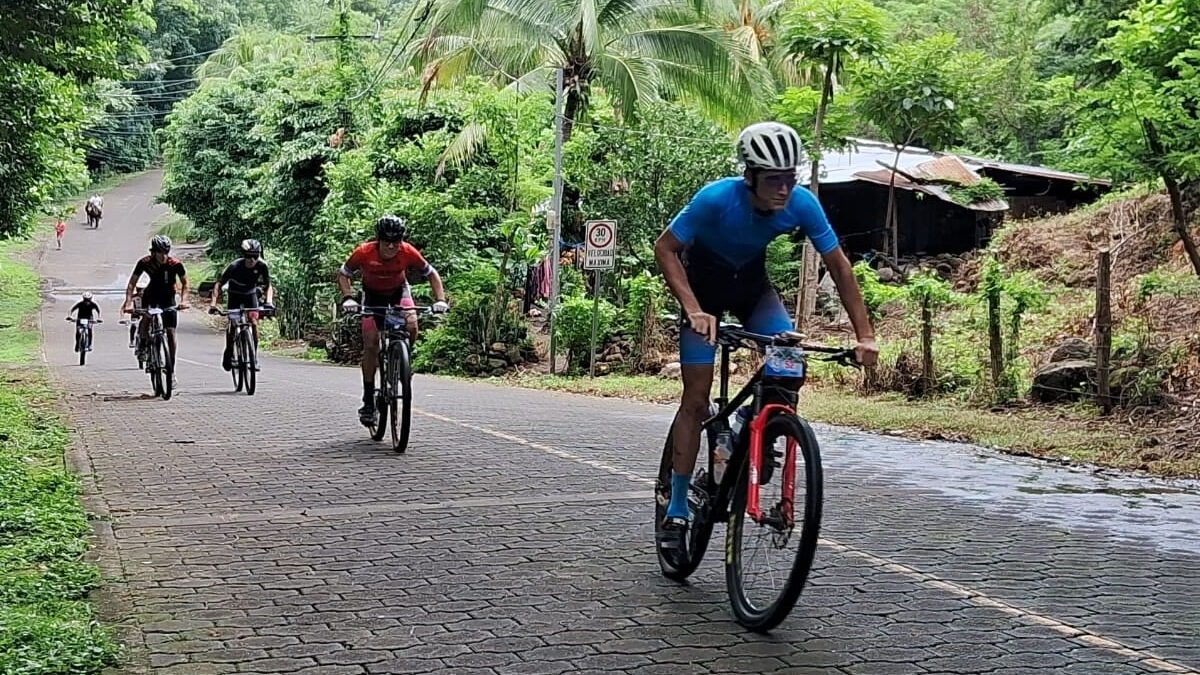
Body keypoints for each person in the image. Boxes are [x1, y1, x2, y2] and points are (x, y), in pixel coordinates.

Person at [653, 121, 880, 550]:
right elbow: (665, 248)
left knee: (790, 365)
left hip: (753, 289)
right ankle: (677, 506)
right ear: (750, 176)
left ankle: (750, 425)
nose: (784, 188)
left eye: (790, 177)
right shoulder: (716, 198)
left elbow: (839, 266)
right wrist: (694, 310)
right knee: (696, 399)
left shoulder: (802, 204)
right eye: (774, 179)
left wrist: (865, 336)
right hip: (703, 291)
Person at [337, 215, 449, 426]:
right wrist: (348, 298)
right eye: (386, 242)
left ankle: (404, 360)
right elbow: (344, 274)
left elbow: (431, 274)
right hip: (372, 295)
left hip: (398, 291)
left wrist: (440, 300)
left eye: (395, 242)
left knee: (412, 324)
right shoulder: (364, 252)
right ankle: (368, 400)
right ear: (377, 240)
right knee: (370, 344)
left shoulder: (407, 251)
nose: (391, 246)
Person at [120, 235, 190, 383]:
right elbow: (132, 283)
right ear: (153, 252)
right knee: (147, 316)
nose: (163, 256)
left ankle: (171, 368)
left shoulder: (175, 264)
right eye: (160, 252)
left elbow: (185, 284)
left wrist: (183, 301)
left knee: (171, 332)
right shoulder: (144, 262)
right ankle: (144, 345)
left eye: (166, 252)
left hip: (168, 297)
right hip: (151, 295)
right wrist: (128, 303)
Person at [209, 238, 275, 371]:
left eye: (255, 256)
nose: (252, 260)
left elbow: (268, 286)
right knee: (233, 325)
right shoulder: (235, 266)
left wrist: (268, 302)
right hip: (235, 295)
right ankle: (229, 352)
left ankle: (253, 357)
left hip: (250, 295)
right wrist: (213, 303)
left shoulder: (262, 266)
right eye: (249, 256)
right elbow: (219, 284)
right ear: (244, 256)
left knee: (254, 323)